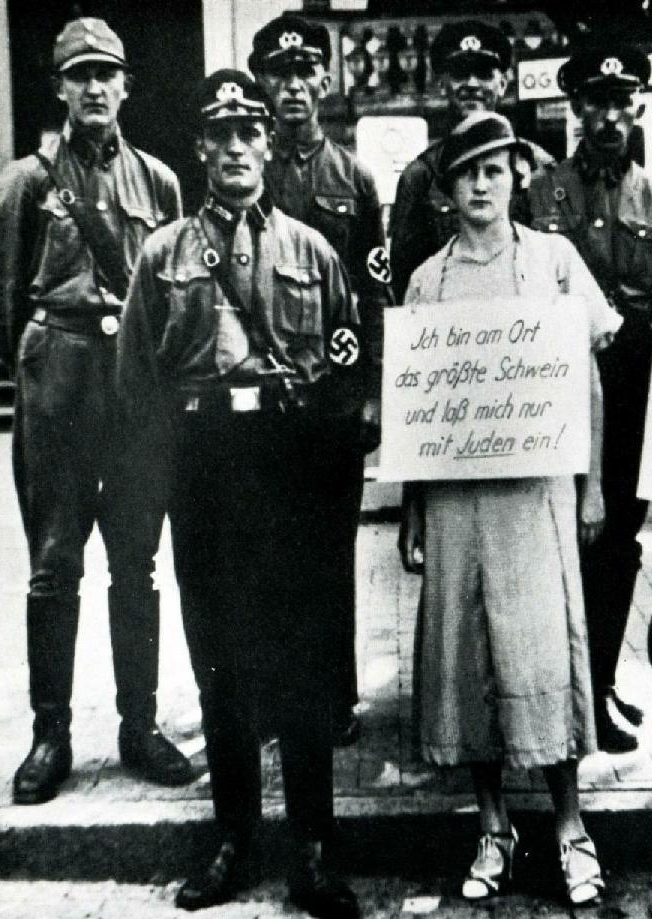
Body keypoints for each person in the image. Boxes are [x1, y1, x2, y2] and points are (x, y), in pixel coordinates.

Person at [117, 70, 369, 917]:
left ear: (269, 145)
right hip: (206, 462)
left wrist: (330, 490)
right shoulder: (163, 256)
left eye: (248, 133)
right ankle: (232, 836)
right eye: (218, 134)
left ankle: (311, 847)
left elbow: (346, 375)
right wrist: (159, 493)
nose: (234, 148)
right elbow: (137, 388)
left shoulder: (312, 250)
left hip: (289, 465)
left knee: (302, 659)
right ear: (199, 149)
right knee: (219, 656)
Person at [397, 112, 620, 908]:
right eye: (467, 173)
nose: (482, 184)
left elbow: (588, 381)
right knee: (467, 653)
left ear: (517, 175)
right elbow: (415, 405)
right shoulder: (428, 280)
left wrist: (592, 484)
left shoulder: (556, 262)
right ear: (448, 188)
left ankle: (568, 824)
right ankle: (493, 822)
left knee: (542, 652)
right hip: (457, 497)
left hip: (536, 494)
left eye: (496, 168)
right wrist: (414, 511)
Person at [0, 16, 193, 805]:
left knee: (136, 563)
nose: (96, 87)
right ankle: (51, 734)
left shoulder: (159, 183)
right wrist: (43, 376)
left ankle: (138, 726)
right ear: (60, 88)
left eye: (108, 73)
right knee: (53, 566)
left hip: (135, 391)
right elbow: (3, 304)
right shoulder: (28, 181)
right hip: (60, 383)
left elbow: (172, 292)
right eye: (81, 75)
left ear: (127, 85)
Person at [527, 44, 652, 753]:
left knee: (616, 543)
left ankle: (595, 686)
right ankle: (554, 689)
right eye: (596, 101)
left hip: (628, 393)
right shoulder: (537, 194)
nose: (609, 115)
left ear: (638, 108)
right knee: (551, 541)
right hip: (549, 389)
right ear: (576, 107)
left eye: (622, 101)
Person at [250, 12, 387, 747]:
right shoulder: (246, 167)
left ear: (325, 82)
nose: (293, 87)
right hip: (265, 399)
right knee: (268, 547)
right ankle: (275, 696)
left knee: (332, 553)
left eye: (306, 73)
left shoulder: (355, 178)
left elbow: (373, 294)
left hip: (332, 399)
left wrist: (371, 393)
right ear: (262, 83)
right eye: (280, 73)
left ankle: (335, 697)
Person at [389, 20, 554, 303]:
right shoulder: (420, 176)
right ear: (442, 84)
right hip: (450, 329)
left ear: (503, 83)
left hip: (524, 327)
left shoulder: (540, 167)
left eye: (484, 74)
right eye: (460, 74)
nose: (472, 85)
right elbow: (405, 278)